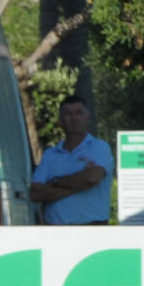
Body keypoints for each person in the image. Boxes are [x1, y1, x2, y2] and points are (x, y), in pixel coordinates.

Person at [30, 95, 114, 225]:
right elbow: (36, 193)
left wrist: (56, 181)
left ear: (88, 118)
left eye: (79, 113)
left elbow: (92, 178)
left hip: (92, 230)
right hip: (55, 231)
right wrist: (81, 185)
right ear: (61, 120)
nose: (74, 118)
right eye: (68, 114)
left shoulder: (99, 147)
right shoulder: (50, 154)